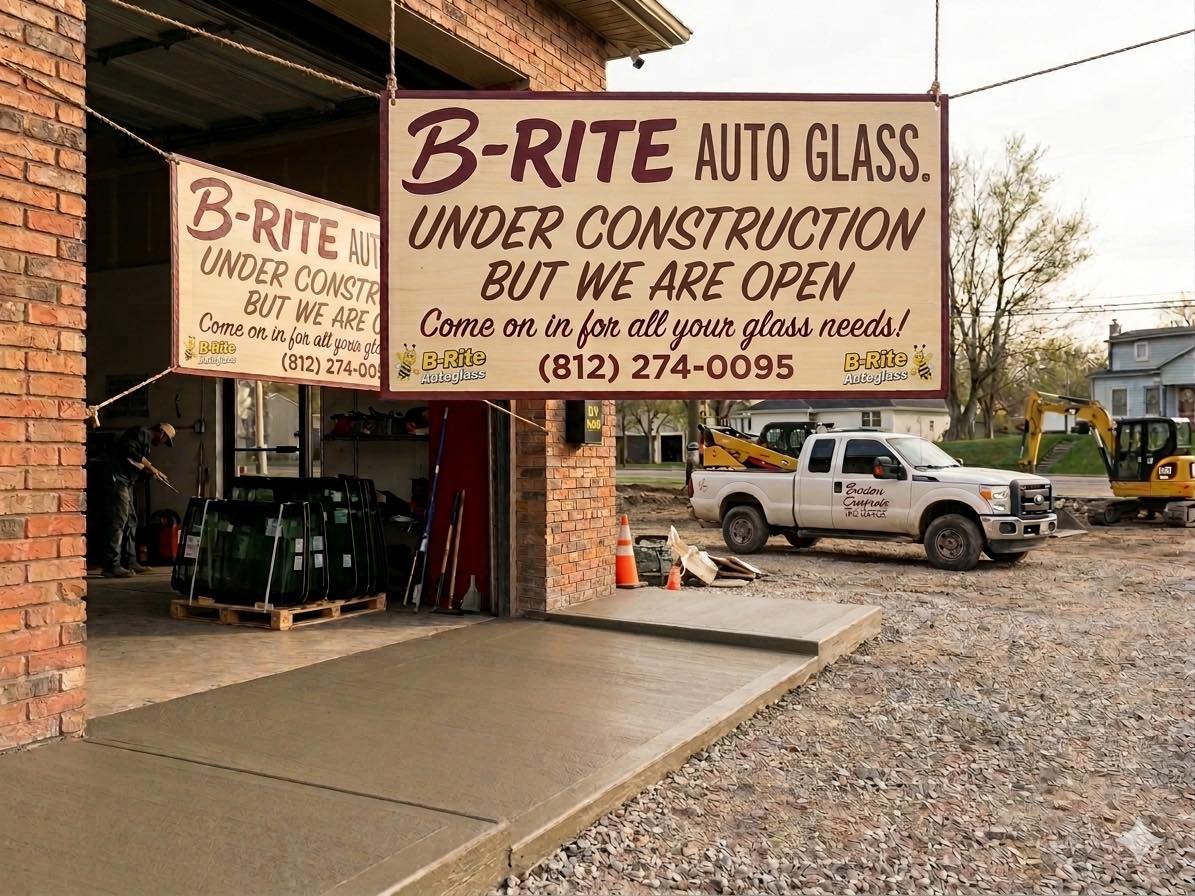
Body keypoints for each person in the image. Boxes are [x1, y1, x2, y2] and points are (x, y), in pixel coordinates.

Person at [104, 422, 175, 578]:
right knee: (119, 521)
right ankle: (111, 565)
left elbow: (135, 463)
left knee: (131, 521)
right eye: (165, 440)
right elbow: (128, 451)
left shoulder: (145, 443)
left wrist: (153, 473)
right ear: (161, 433)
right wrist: (150, 466)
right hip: (118, 480)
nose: (163, 444)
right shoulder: (140, 432)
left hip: (127, 482)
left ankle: (130, 561)